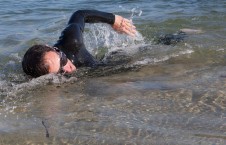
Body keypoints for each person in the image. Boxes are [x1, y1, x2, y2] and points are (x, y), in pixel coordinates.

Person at [22, 10, 137, 77]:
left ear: (51, 48)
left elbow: (80, 14)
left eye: (62, 59)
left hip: (111, 61)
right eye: (61, 71)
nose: (68, 68)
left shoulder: (71, 41)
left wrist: (113, 19)